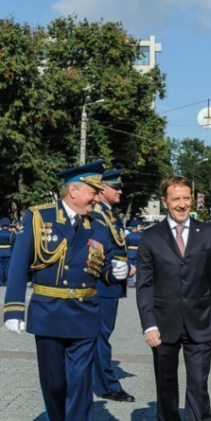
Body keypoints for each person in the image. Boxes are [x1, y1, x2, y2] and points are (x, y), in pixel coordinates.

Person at [3, 160, 129, 421]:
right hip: (47, 312)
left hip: (85, 314)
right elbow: (19, 265)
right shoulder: (39, 217)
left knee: (80, 386)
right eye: (92, 191)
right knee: (55, 385)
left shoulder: (97, 225)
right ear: (73, 191)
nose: (96, 197)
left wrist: (115, 273)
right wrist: (15, 308)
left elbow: (102, 265)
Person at [137, 175, 211, 421]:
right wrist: (148, 324)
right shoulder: (150, 237)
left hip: (201, 324)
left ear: (193, 199)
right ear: (164, 201)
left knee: (198, 387)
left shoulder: (209, 234)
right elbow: (144, 286)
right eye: (175, 198)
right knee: (166, 387)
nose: (181, 204)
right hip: (163, 326)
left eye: (186, 198)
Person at [91, 168, 136, 403]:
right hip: (102, 285)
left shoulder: (109, 216)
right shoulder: (98, 218)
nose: (120, 190)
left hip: (111, 285)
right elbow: (98, 254)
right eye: (115, 187)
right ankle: (107, 385)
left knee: (100, 336)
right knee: (100, 337)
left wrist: (129, 266)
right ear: (101, 190)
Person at [0, 218, 16, 286]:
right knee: (7, 267)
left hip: (0, 251)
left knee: (1, 267)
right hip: (8, 251)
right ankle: (7, 282)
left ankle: (1, 282)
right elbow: (13, 244)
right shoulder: (11, 234)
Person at [124, 219, 143, 289]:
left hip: (130, 252)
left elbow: (125, 246)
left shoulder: (128, 236)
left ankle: (130, 282)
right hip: (138, 252)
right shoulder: (141, 235)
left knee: (130, 267)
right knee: (138, 267)